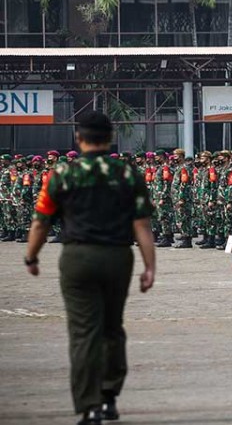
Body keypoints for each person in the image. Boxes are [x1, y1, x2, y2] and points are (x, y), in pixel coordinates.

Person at [24, 111, 156, 425]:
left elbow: (41, 222)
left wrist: (31, 256)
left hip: (77, 258)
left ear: (78, 139)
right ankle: (109, 396)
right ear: (110, 139)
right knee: (112, 327)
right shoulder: (127, 174)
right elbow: (142, 224)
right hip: (117, 257)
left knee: (84, 333)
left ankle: (90, 406)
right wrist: (150, 266)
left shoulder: (62, 175)